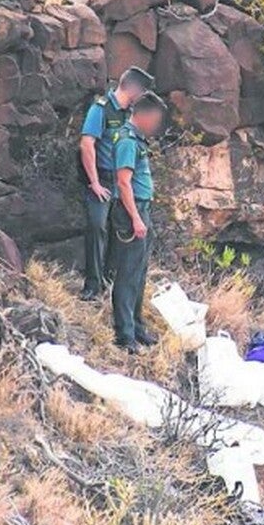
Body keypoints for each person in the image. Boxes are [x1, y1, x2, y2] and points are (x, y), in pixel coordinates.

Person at [78, 67, 156, 301]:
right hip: (103, 178)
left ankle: (111, 281)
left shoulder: (131, 114)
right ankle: (93, 284)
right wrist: (93, 182)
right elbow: (87, 144)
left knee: (119, 230)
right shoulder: (101, 108)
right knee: (97, 226)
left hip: (124, 181)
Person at [108, 92, 167, 355]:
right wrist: (135, 219)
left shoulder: (137, 139)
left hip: (143, 209)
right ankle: (124, 335)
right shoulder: (127, 140)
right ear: (142, 114)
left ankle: (137, 326)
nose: (156, 124)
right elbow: (123, 182)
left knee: (140, 273)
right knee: (128, 274)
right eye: (154, 118)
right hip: (131, 212)